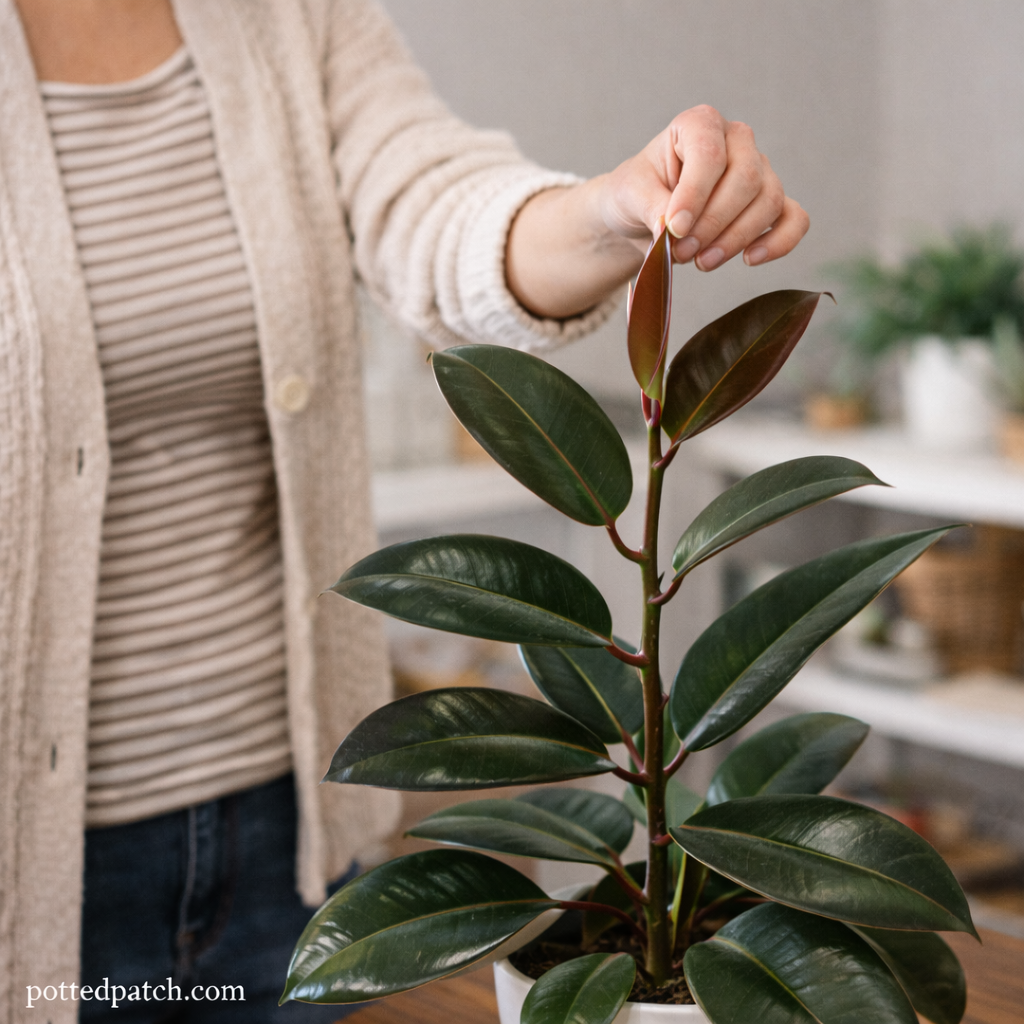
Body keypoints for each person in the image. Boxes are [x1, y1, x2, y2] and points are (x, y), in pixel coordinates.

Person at [0, 0, 808, 1021]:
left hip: (293, 837)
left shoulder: (288, 15)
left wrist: (609, 209)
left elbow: (430, 207)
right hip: (36, 868)